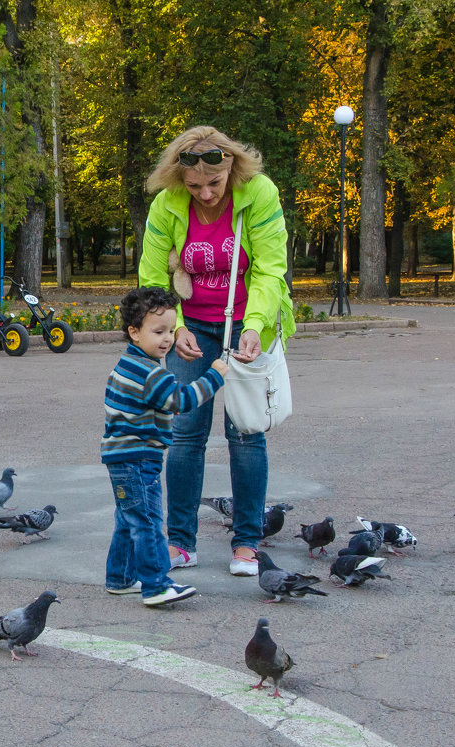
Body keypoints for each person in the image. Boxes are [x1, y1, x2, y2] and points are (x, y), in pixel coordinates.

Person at [137, 125, 295, 577]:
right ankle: (180, 542)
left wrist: (256, 326)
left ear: (232, 169)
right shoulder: (167, 203)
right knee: (186, 433)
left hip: (247, 324)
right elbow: (152, 275)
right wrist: (175, 328)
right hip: (192, 328)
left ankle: (247, 542)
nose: (205, 194)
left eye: (215, 183)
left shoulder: (259, 193)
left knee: (246, 433)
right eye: (194, 186)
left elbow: (269, 269)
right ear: (177, 179)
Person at [103, 286, 227, 606]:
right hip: (140, 459)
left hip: (120, 458)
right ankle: (156, 584)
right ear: (134, 332)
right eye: (158, 331)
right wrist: (214, 376)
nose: (167, 338)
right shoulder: (150, 373)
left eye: (170, 330)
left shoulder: (128, 364)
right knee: (148, 522)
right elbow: (182, 401)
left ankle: (119, 577)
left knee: (128, 519)